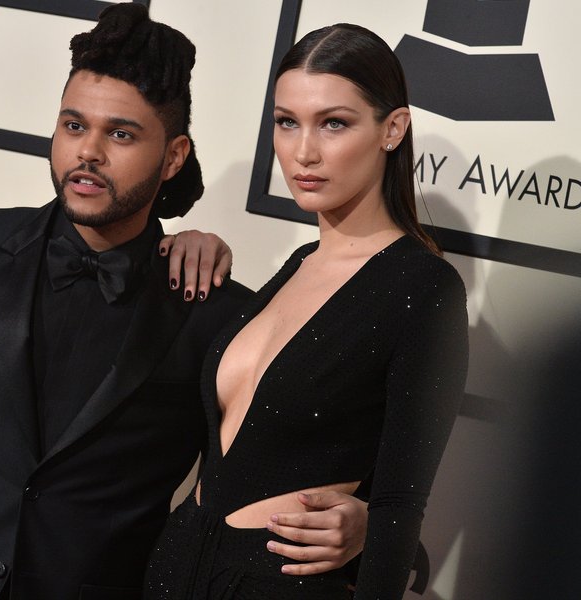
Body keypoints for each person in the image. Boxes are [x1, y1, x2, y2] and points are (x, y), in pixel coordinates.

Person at [0, 7, 368, 600]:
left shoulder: (213, 313)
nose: (89, 152)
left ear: (174, 157)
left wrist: (363, 523)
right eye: (74, 126)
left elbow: (254, 489)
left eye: (121, 134)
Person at [144, 23, 469, 599]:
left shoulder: (424, 288)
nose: (303, 152)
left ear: (392, 129)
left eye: (334, 123)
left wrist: (370, 528)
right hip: (178, 565)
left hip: (279, 585)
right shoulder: (295, 264)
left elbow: (398, 506)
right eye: (286, 121)